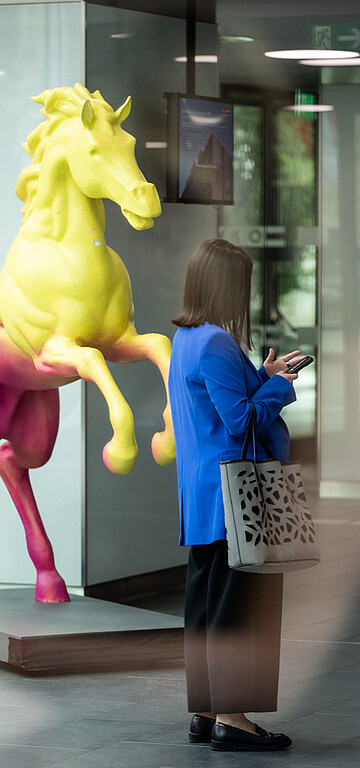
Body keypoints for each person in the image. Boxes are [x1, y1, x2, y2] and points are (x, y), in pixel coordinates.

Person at [168, 238, 301, 752]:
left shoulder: (187, 339)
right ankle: (233, 718)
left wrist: (262, 375)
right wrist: (279, 388)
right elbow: (242, 419)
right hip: (237, 495)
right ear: (226, 287)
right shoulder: (218, 342)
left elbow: (217, 402)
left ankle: (206, 712)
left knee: (207, 606)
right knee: (238, 608)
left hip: (204, 496)